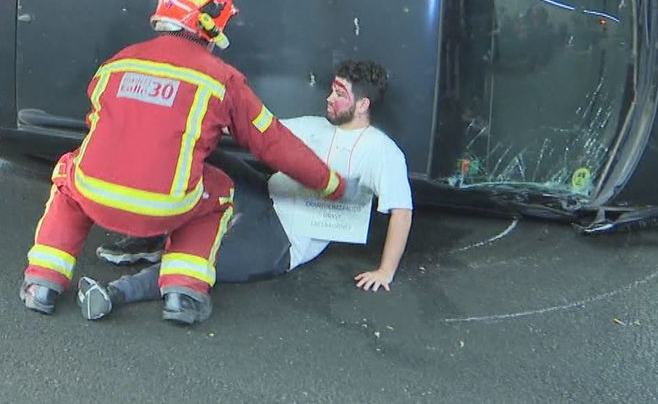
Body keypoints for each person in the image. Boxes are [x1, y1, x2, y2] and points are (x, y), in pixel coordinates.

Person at [19, 0, 347, 325]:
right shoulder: (222, 81)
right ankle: (183, 293)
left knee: (69, 174)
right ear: (210, 23)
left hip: (96, 197)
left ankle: (42, 283)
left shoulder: (117, 64)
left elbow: (99, 127)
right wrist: (330, 184)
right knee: (218, 189)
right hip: (165, 207)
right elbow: (273, 144)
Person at [81, 60, 414, 321]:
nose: (329, 97)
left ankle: (115, 294)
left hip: (284, 238)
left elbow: (402, 211)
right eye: (332, 89)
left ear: (362, 104)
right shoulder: (313, 126)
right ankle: (153, 235)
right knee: (213, 155)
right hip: (263, 194)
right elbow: (260, 132)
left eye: (340, 93)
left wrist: (385, 271)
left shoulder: (382, 151)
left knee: (206, 262)